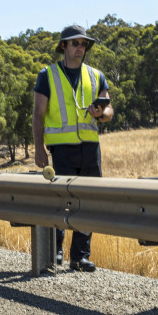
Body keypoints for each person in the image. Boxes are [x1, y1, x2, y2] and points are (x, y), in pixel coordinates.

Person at [32, 25, 114, 272]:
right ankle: (55, 251)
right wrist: (39, 149)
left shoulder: (96, 75)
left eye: (83, 44)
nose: (81, 48)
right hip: (61, 149)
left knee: (87, 201)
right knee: (62, 200)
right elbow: (38, 114)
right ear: (63, 46)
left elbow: (109, 110)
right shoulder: (48, 75)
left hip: (90, 148)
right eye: (75, 43)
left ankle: (80, 256)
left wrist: (102, 113)